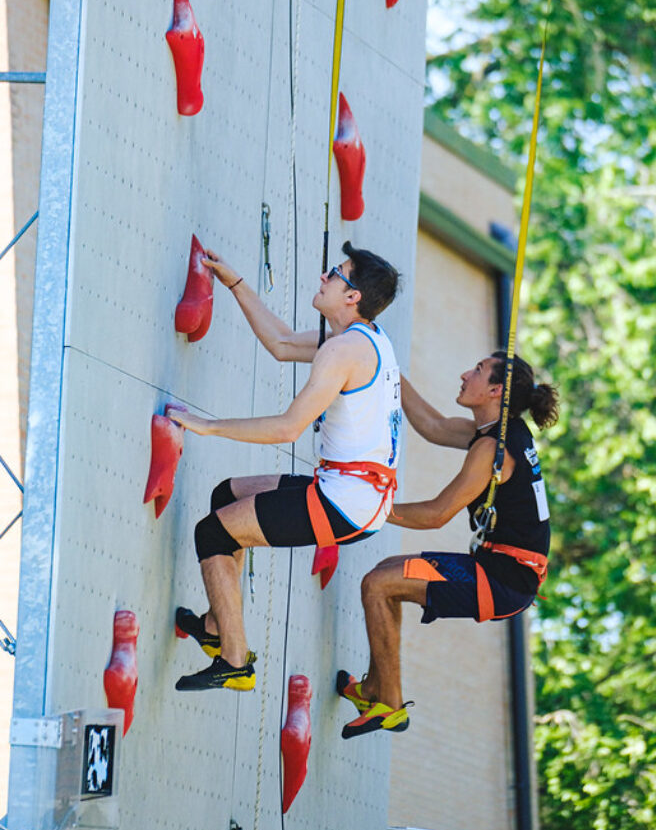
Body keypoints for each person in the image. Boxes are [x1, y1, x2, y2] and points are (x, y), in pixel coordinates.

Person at [167, 241, 402, 692]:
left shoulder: (344, 351)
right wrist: (235, 283)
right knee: (228, 496)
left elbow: (288, 428)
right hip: (354, 492)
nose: (323, 277)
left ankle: (235, 661)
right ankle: (217, 626)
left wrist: (209, 426)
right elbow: (279, 342)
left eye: (334, 274)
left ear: (352, 296)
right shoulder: (360, 339)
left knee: (212, 532)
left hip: (344, 500)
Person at [337, 351, 559, 738]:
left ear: (495, 390)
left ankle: (389, 705)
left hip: (504, 581)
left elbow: (437, 514)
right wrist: (385, 364)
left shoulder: (495, 449)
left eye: (475, 371)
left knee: (379, 585)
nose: (463, 374)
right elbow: (433, 426)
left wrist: (368, 506)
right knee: (384, 573)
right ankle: (375, 688)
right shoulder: (495, 432)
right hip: (500, 569)